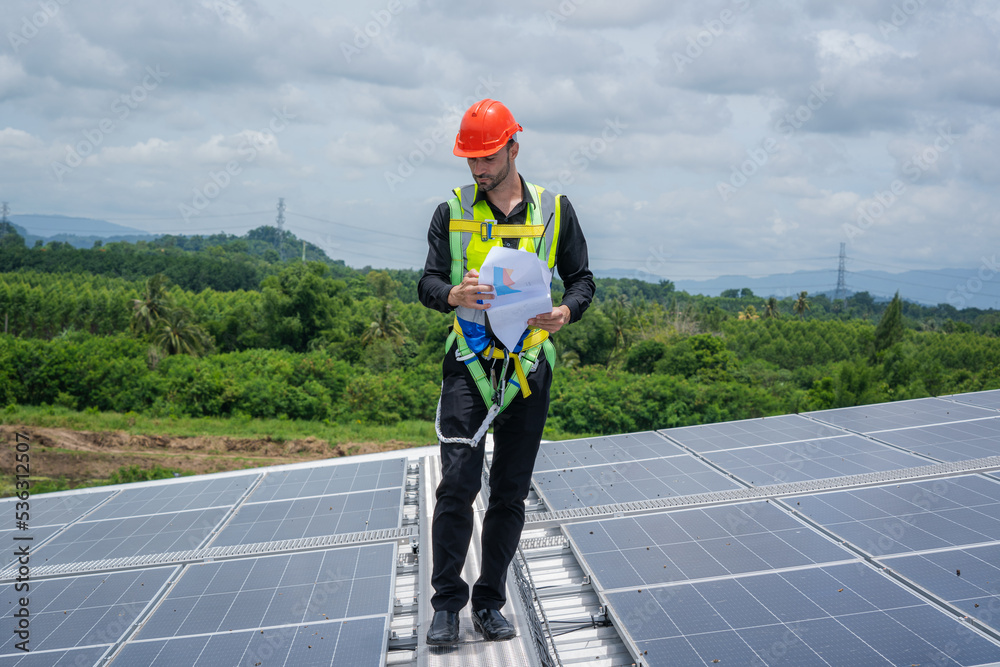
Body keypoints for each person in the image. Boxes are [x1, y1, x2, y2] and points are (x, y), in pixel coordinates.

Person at [417, 99, 595, 646]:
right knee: (456, 487)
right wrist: (452, 293)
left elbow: (583, 279)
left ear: (514, 148)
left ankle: (489, 602)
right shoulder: (451, 211)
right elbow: (425, 284)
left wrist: (567, 311)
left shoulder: (555, 209)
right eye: (470, 160)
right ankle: (446, 605)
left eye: (487, 158)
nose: (478, 169)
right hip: (468, 366)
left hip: (528, 368)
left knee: (510, 493)